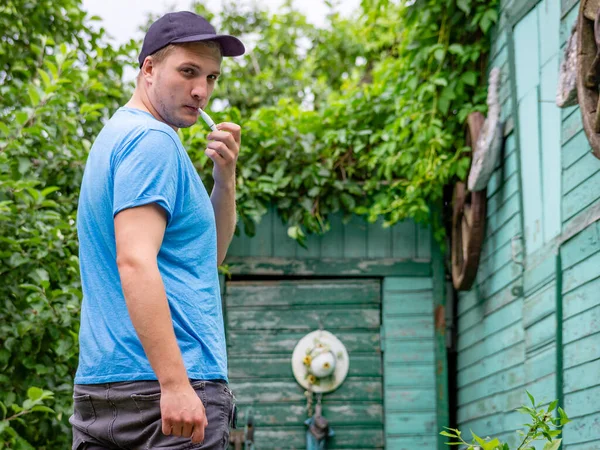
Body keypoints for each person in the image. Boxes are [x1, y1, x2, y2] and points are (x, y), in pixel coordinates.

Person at [70, 11, 245, 450]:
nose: (201, 91)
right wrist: (176, 383)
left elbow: (210, 257)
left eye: (211, 77)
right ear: (148, 68)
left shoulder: (117, 136)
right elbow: (134, 260)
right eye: (188, 72)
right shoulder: (153, 142)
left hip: (103, 393)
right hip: (165, 397)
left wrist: (225, 180)